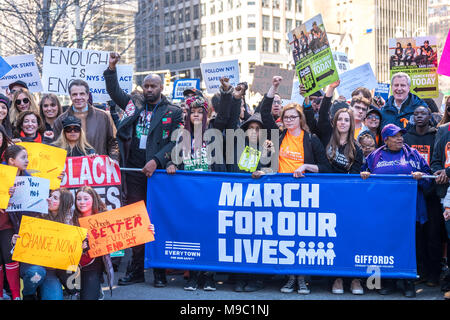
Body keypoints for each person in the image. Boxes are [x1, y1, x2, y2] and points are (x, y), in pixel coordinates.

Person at [104, 52, 182, 287]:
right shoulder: (133, 105)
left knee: (156, 220)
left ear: (160, 87)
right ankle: (136, 269)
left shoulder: (173, 111)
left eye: (153, 86)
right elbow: (114, 91)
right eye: (146, 85)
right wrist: (111, 68)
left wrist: (157, 160)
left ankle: (158, 271)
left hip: (157, 173)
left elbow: (176, 141)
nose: (149, 89)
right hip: (133, 170)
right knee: (136, 221)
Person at [261, 76, 330, 295]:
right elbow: (264, 112)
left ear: (300, 119)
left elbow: (326, 168)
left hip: (306, 194)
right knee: (285, 235)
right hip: (281, 193)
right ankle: (291, 278)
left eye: (293, 117)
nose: (289, 120)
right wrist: (274, 87)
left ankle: (303, 279)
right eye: (286, 117)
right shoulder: (279, 136)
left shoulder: (311, 139)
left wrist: (306, 167)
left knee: (303, 236)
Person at [361, 124, 433, 298]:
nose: (400, 138)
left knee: (409, 246)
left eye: (401, 135)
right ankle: (388, 281)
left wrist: (420, 177)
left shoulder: (414, 155)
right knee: (386, 245)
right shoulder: (374, 156)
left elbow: (429, 181)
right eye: (395, 136)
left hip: (410, 212)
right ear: (386, 139)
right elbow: (364, 182)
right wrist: (365, 176)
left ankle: (408, 281)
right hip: (384, 212)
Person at [325, 108, 364, 295]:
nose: (342, 122)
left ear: (351, 123)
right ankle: (337, 278)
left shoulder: (357, 148)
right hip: (327, 198)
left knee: (351, 237)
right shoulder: (326, 141)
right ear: (335, 122)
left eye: (346, 120)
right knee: (334, 239)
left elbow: (355, 177)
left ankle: (355, 278)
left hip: (348, 199)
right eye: (339, 119)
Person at [403, 106, 443, 287]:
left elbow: (438, 160)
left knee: (433, 234)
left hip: (432, 192)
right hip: (412, 193)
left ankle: (434, 274)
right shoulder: (406, 137)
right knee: (416, 235)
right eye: (416, 113)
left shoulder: (436, 135)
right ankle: (420, 271)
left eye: (423, 113)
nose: (419, 116)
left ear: (430, 117)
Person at [52, 80, 119, 160]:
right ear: (70, 96)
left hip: (98, 169)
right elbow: (56, 149)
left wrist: (112, 161)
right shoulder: (60, 120)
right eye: (74, 94)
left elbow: (114, 143)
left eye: (82, 94)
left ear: (87, 95)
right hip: (71, 170)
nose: (78, 97)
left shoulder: (103, 117)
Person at [72, 186, 114, 300]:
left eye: (86, 198)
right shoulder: (70, 219)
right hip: (72, 267)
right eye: (78, 199)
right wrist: (77, 246)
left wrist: (146, 229)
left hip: (92, 267)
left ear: (93, 200)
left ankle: (95, 288)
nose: (81, 202)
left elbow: (128, 233)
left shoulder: (103, 219)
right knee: (72, 293)